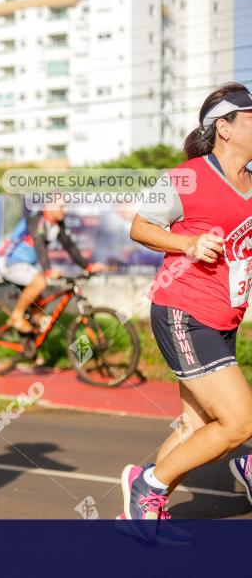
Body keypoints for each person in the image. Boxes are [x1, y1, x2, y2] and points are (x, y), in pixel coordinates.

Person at [123, 83, 252, 539]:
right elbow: (140, 227)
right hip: (183, 310)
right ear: (225, 127)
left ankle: (140, 510)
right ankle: (149, 486)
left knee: (196, 425)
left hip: (223, 320)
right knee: (238, 422)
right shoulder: (188, 176)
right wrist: (189, 243)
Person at [0, 203, 105, 332]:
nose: (64, 211)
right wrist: (48, 270)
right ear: (49, 206)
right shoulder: (37, 220)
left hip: (25, 266)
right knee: (40, 282)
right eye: (61, 207)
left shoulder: (57, 225)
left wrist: (88, 266)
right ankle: (17, 315)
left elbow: (69, 246)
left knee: (40, 305)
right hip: (9, 262)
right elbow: (39, 244)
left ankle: (30, 342)